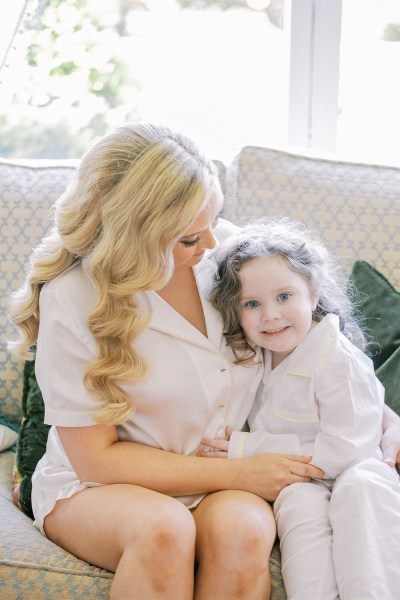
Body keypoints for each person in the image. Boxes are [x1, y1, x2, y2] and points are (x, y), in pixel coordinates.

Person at [7, 124, 400, 600]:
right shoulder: (73, 298)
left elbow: (317, 352)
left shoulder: (229, 254)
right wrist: (241, 471)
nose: (211, 243)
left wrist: (384, 422)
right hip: (102, 486)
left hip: (223, 477)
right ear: (136, 238)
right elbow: (97, 459)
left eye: (215, 220)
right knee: (164, 530)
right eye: (190, 237)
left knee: (245, 529)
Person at [200, 217, 400, 599]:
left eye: (284, 297)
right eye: (252, 304)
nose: (270, 314)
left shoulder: (336, 359)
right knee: (297, 502)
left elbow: (348, 448)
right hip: (301, 479)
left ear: (313, 292)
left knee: (359, 490)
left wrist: (249, 449)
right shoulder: (257, 357)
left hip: (355, 467)